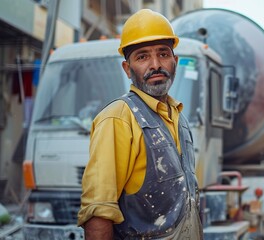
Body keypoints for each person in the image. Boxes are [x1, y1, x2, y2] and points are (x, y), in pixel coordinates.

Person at [77, 9, 202, 240]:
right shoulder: (118, 119)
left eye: (163, 54)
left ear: (175, 61)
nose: (155, 65)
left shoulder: (179, 118)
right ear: (127, 68)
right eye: (142, 57)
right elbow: (98, 212)